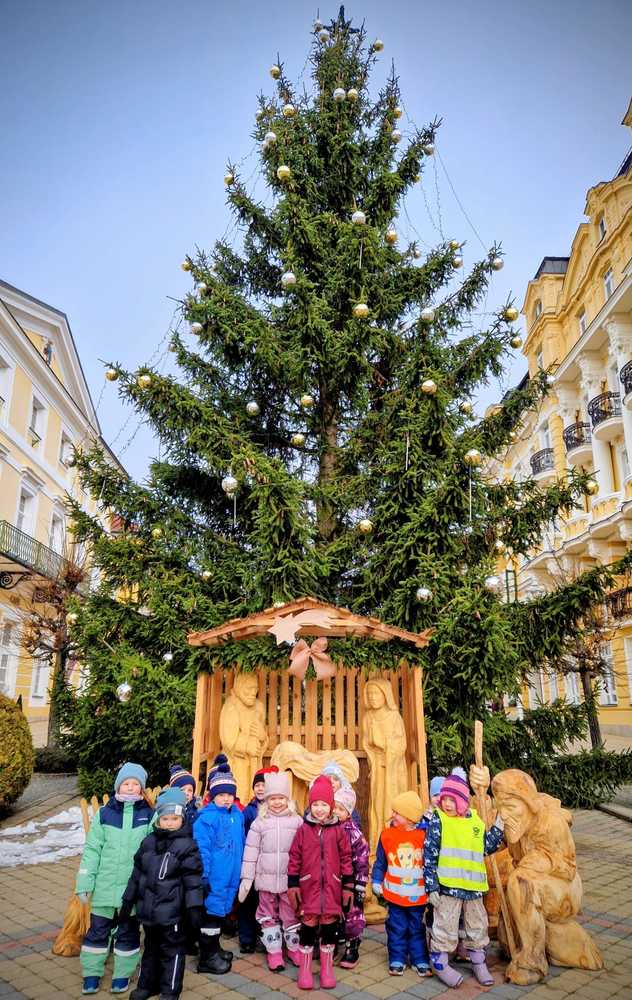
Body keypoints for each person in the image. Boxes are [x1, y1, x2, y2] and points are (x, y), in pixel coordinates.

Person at [75, 762, 153, 995]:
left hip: (132, 891)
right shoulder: (104, 814)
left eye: (135, 784)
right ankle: (91, 974)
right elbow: (92, 850)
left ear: (141, 789)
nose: (130, 787)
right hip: (105, 888)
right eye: (126, 783)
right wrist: (85, 882)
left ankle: (122, 975)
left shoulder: (148, 815)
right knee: (97, 932)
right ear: (118, 785)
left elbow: (153, 852)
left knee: (128, 933)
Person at [120, 787, 205, 1000]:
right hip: (149, 913)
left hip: (173, 914)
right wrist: (128, 898)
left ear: (182, 819)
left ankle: (170, 991)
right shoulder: (148, 842)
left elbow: (193, 880)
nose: (169, 823)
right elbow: (137, 873)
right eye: (165, 818)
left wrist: (194, 907)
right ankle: (148, 985)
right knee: (150, 949)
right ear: (158, 820)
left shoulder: (187, 846)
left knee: (172, 951)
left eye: (174, 818)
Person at [424, 768, 504, 988]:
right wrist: (431, 887)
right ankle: (440, 963)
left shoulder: (475, 821)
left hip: (473, 888)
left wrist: (499, 826)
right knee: (445, 925)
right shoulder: (439, 820)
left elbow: (486, 847)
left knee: (477, 926)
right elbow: (429, 855)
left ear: (462, 801)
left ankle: (478, 962)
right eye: (444, 799)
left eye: (452, 800)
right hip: (448, 888)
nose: (447, 804)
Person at [287, 775, 353, 991]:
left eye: (324, 804)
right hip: (309, 889)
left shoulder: (338, 830)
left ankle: (326, 969)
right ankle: (305, 970)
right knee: (307, 929)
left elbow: (346, 858)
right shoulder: (303, 830)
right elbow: (294, 857)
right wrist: (293, 883)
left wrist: (348, 885)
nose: (319, 809)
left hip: (332, 890)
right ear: (310, 805)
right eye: (315, 804)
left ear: (331, 806)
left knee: (329, 930)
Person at [238, 771, 303, 970]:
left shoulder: (297, 821)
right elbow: (251, 851)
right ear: (267, 800)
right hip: (265, 880)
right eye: (273, 798)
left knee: (290, 914)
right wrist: (247, 878)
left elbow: (304, 851)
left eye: (281, 798)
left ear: (287, 799)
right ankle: (274, 952)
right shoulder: (260, 822)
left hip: (288, 881)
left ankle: (293, 948)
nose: (277, 802)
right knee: (267, 915)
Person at [371, 790, 431, 977]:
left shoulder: (424, 836)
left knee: (416, 927)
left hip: (417, 895)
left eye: (397, 812)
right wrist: (376, 880)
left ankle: (419, 959)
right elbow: (381, 861)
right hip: (394, 894)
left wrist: (433, 888)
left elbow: (431, 863)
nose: (393, 815)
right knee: (396, 927)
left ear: (410, 817)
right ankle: (397, 958)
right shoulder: (387, 835)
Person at [193, 760, 244, 975]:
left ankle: (214, 948)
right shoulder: (206, 819)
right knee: (211, 916)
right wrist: (204, 876)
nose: (226, 799)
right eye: (221, 795)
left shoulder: (237, 815)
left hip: (231, 876)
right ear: (213, 796)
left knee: (221, 913)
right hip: (214, 877)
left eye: (230, 795)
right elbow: (202, 850)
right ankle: (207, 957)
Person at [238, 765, 279, 954]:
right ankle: (247, 938)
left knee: (267, 903)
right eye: (257, 785)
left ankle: (264, 936)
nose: (260, 788)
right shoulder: (248, 811)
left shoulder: (276, 808)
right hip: (252, 862)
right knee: (249, 901)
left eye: (264, 785)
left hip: (269, 864)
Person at [333, 786, 369, 970]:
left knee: (352, 914)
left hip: (351, 882)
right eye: (334, 807)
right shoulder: (328, 828)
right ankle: (331, 944)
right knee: (332, 913)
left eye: (341, 809)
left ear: (348, 812)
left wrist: (360, 884)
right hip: (333, 881)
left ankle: (352, 946)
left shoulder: (354, 833)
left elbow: (362, 860)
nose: (336, 812)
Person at [320, 762, 362, 828]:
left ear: (341, 784)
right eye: (328, 779)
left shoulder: (346, 801)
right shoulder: (318, 801)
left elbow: (355, 823)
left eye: (336, 779)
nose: (331, 782)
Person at [168, 762, 200, 828]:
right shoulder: (169, 809)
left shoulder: (196, 808)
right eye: (182, 790)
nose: (186, 793)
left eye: (190, 790)